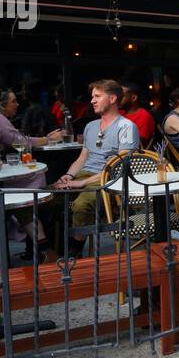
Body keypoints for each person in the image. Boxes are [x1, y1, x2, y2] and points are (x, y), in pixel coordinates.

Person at [53, 80, 142, 254]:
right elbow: (82, 158)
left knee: (81, 205)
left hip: (109, 179)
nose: (92, 100)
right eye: (92, 96)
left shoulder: (126, 127)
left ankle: (74, 252)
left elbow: (118, 167)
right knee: (46, 198)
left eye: (97, 96)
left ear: (112, 98)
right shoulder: (90, 126)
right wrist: (69, 176)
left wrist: (81, 183)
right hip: (85, 175)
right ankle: (50, 252)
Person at [0, 88, 66, 181]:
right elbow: (21, 144)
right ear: (1, 104)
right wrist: (49, 139)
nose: (17, 104)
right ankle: (34, 203)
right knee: (34, 174)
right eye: (13, 101)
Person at [120, 81, 157, 146]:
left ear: (133, 98)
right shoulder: (119, 113)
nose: (118, 98)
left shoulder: (143, 116)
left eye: (122, 96)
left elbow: (138, 145)